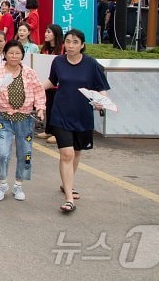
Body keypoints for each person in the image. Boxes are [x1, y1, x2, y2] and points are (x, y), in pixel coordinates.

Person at [42, 29, 110, 213]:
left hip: (82, 115)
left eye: (75, 42)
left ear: (82, 45)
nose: (70, 46)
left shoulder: (91, 64)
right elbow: (52, 81)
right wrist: (35, 89)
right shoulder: (58, 62)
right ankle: (69, 198)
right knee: (67, 154)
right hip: (60, 114)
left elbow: (101, 88)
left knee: (77, 152)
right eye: (68, 42)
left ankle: (67, 183)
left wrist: (101, 102)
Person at [0, 41, 46, 202]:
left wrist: (40, 108)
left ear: (22, 55)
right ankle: (2, 183)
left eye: (17, 53)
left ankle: (19, 184)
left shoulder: (29, 73)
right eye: (11, 53)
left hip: (24, 118)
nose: (14, 56)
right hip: (3, 118)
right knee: (2, 152)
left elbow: (39, 91)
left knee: (25, 152)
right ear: (5, 55)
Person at [37, 24, 64, 144]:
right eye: (46, 32)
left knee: (57, 109)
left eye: (49, 32)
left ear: (55, 34)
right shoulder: (44, 49)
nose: (46, 34)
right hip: (47, 82)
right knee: (49, 107)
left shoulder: (63, 48)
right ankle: (48, 130)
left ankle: (57, 134)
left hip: (59, 84)